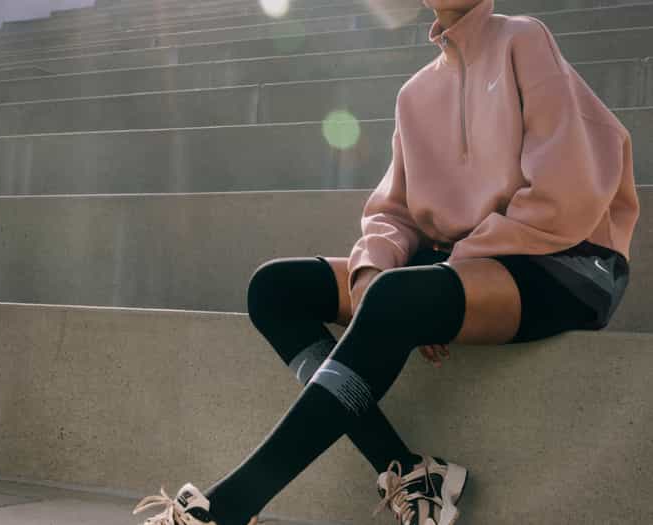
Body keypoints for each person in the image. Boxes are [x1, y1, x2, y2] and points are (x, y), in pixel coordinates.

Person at [132, 0, 640, 524]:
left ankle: (229, 508)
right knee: (275, 289)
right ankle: (407, 471)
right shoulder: (415, 93)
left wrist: (443, 277)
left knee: (399, 298)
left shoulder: (523, 39)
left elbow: (566, 192)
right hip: (460, 264)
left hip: (561, 261)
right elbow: (392, 214)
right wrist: (373, 273)